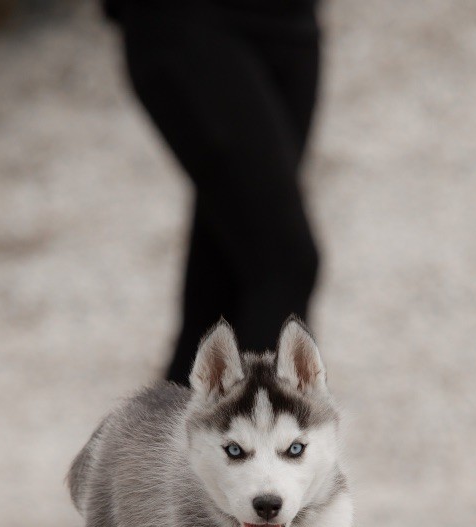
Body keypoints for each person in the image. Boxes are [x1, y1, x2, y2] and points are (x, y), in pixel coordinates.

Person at [102, 0, 321, 385]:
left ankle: (166, 441)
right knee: (283, 262)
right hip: (186, 21)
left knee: (225, 278)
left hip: (292, 24)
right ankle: (260, 443)